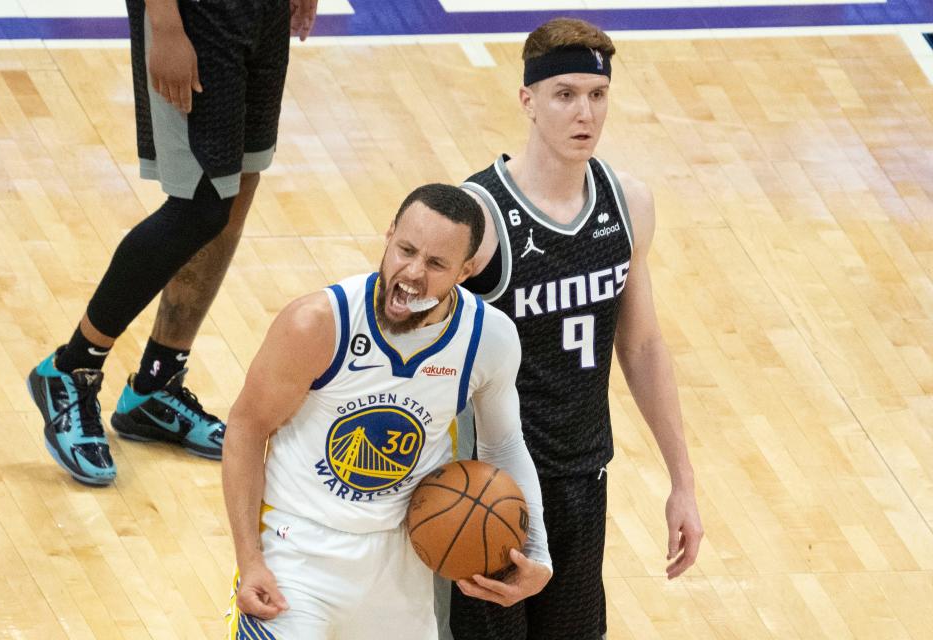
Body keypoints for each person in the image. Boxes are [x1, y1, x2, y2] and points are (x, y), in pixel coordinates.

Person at [445, 18, 705, 640]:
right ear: (528, 101)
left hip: (583, 478)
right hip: (492, 488)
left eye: (597, 94)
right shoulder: (478, 213)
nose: (584, 112)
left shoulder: (628, 202)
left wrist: (682, 482)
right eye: (564, 94)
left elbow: (640, 345)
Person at [222, 184, 552, 640]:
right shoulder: (318, 323)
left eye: (436, 264)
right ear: (389, 234)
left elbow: (504, 445)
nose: (413, 273)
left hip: (401, 563)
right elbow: (245, 427)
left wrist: (537, 548)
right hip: (296, 552)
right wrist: (249, 558)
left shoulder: (487, 339)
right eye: (406, 250)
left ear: (467, 270)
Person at [26, 0, 318, 485]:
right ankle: (71, 367)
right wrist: (164, 23)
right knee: (200, 205)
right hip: (197, 14)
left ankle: (156, 385)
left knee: (240, 181)